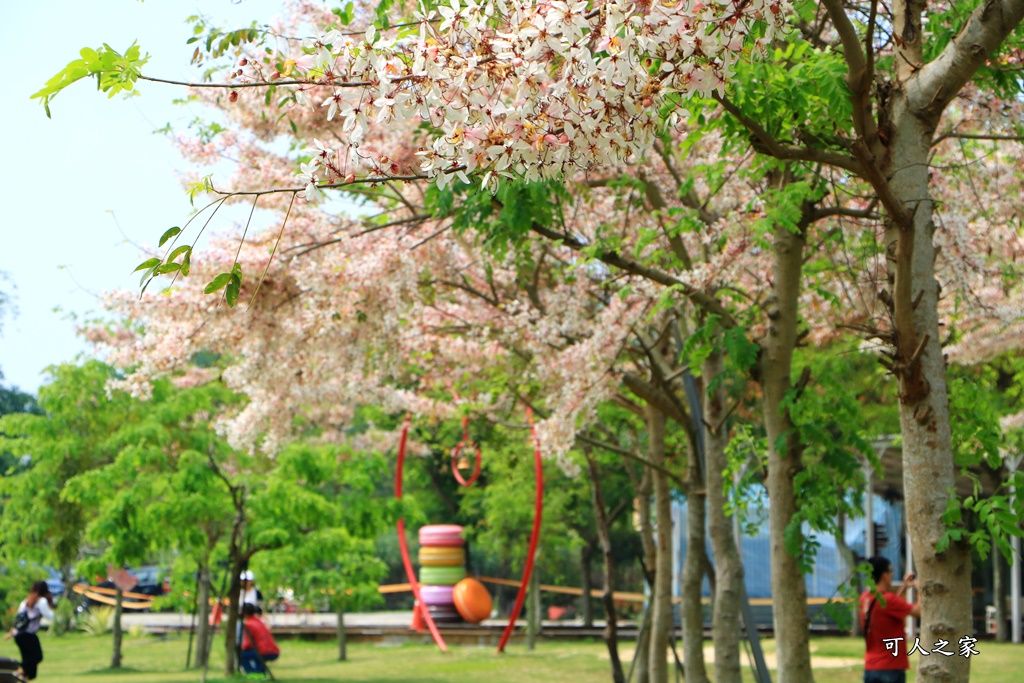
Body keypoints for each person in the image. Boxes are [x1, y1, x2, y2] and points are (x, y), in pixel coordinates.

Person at [860, 556, 921, 683]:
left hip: (871, 667)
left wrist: (904, 588)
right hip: (890, 667)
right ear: (884, 575)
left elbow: (887, 608)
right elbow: (918, 611)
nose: (892, 575)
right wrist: (920, 590)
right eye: (891, 571)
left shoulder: (864, 599)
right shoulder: (888, 600)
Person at [4, 581, 55, 680]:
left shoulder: (26, 601)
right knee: (37, 657)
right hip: (28, 635)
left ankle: (23, 675)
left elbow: (18, 618)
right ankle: (19, 671)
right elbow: (50, 616)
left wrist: (11, 633)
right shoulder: (42, 601)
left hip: (19, 636)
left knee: (29, 663)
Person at [238, 603, 279, 674]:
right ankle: (260, 672)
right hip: (273, 650)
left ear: (244, 613)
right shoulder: (258, 621)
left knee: (242, 655)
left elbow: (248, 644)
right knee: (256, 657)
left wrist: (240, 648)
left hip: (263, 651)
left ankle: (252, 673)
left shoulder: (249, 624)